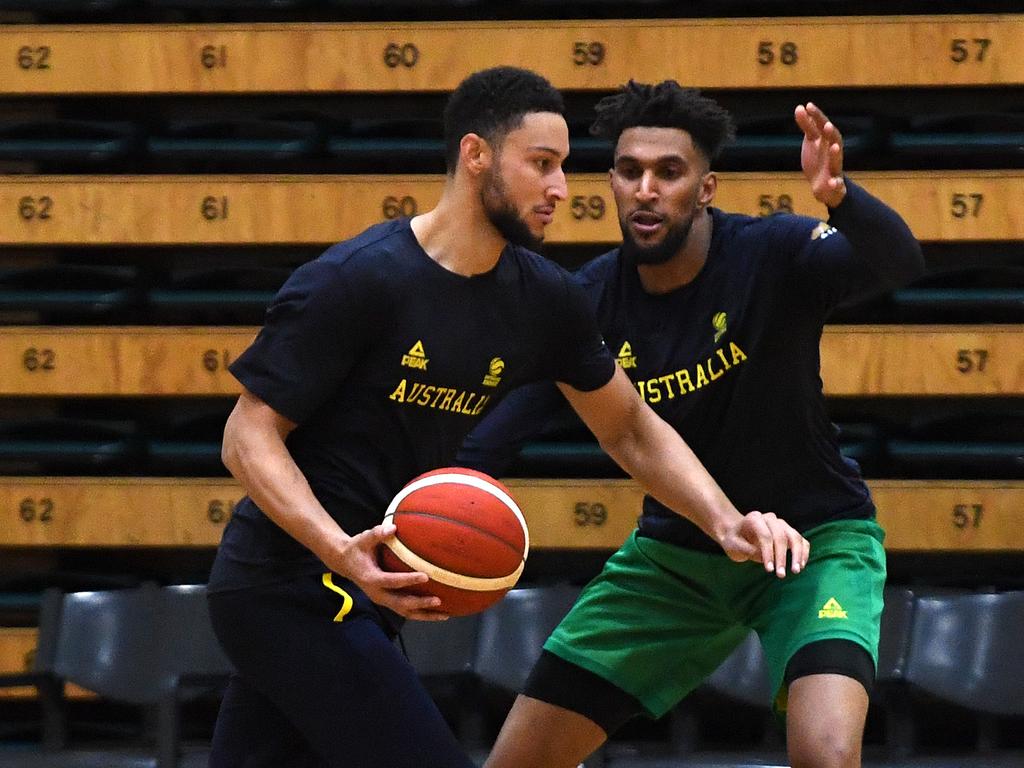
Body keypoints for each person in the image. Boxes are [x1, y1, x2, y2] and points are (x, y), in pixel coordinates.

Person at [205, 68, 808, 768]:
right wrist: (339, 547)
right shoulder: (357, 279)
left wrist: (724, 519)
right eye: (541, 165)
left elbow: (630, 428)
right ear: (476, 156)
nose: (560, 188)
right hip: (289, 586)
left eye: (565, 168)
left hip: (374, 591)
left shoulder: (544, 300)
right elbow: (247, 437)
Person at [460, 81, 925, 768]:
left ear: (705, 188)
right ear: (611, 183)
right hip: (675, 559)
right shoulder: (585, 303)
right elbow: (492, 436)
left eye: (669, 173)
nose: (646, 189)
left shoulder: (772, 253)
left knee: (825, 755)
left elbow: (900, 262)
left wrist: (839, 197)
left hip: (813, 542)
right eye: (629, 171)